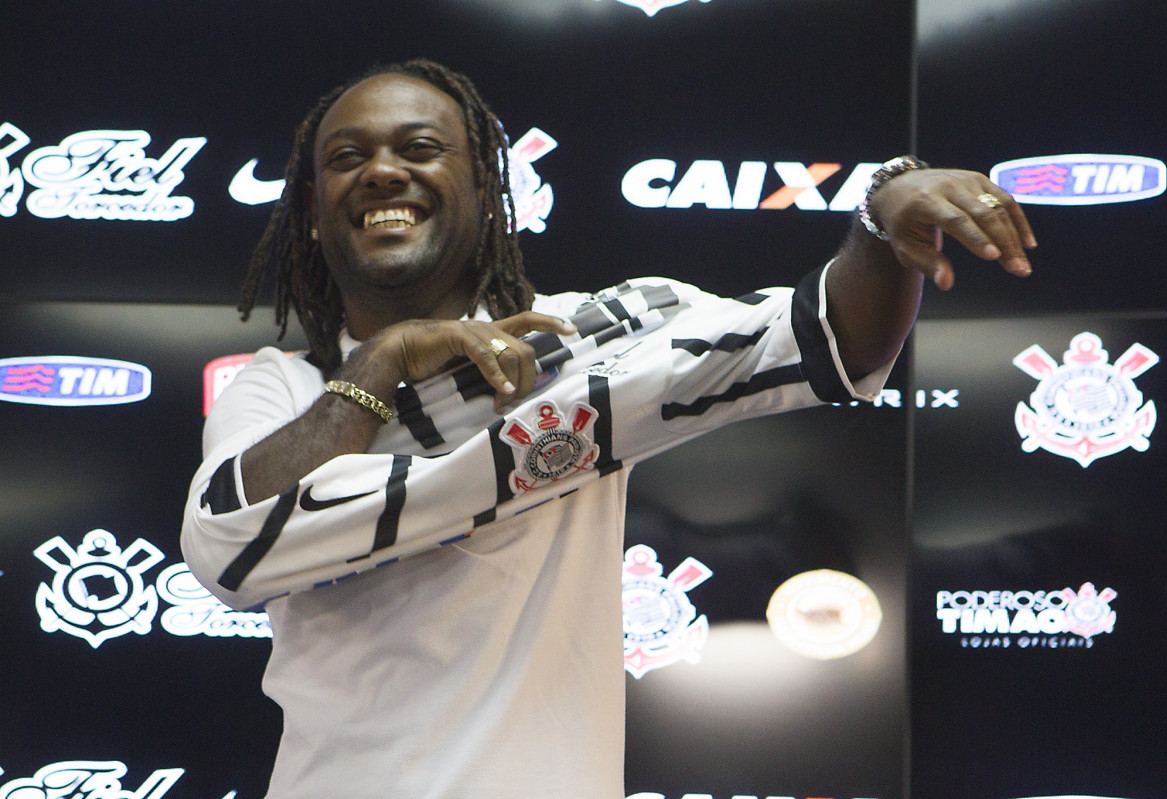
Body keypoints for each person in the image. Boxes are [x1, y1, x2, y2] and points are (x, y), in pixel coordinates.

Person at [180, 59, 1035, 799]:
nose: (381, 172)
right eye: (346, 158)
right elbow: (230, 553)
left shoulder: (595, 341)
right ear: (313, 212)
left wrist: (885, 214)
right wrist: (383, 362)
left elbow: (830, 334)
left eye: (419, 148)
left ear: (485, 192)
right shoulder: (279, 390)